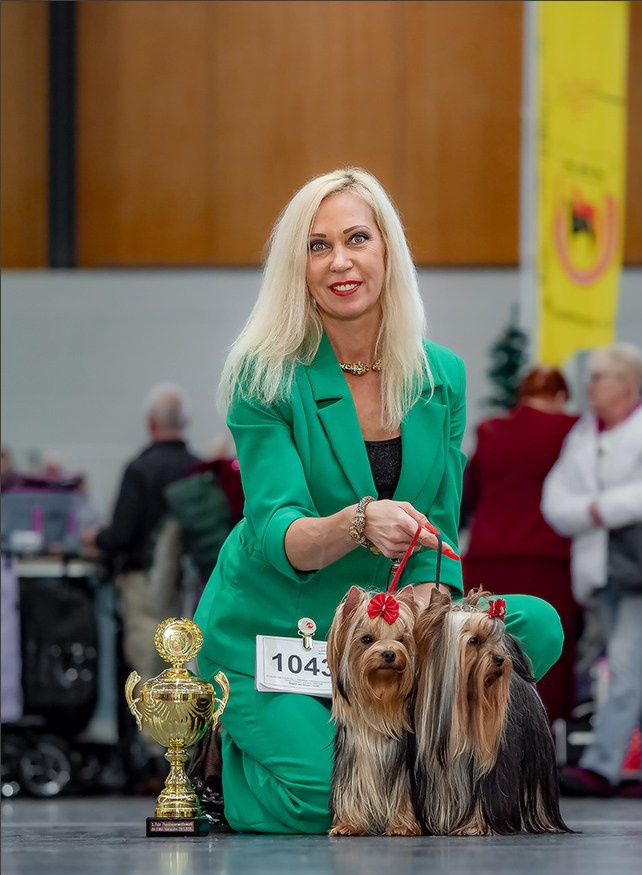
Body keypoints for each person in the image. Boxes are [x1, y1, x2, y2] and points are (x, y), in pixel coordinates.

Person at [193, 166, 564, 834]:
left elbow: (443, 525)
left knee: (531, 626)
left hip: (388, 629)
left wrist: (434, 595)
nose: (340, 261)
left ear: (387, 249)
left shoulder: (439, 375)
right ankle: (229, 765)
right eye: (317, 245)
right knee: (325, 804)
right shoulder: (265, 376)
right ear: (296, 267)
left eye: (356, 238)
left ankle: (411, 758)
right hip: (281, 632)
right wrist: (360, 522)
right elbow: (277, 530)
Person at [542, 343, 642, 798]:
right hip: (605, 570)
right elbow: (555, 503)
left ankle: (600, 766)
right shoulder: (582, 435)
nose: (589, 386)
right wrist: (595, 511)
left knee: (624, 662)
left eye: (600, 376)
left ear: (628, 384)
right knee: (633, 666)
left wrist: (602, 508)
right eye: (590, 376)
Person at [462, 365, 581, 723]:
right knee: (544, 651)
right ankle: (537, 732)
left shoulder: (491, 430)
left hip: (487, 553)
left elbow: (469, 492)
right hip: (547, 555)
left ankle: (478, 727)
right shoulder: (571, 430)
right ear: (561, 396)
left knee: (479, 645)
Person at [81, 383, 200, 679]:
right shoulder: (200, 470)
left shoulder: (139, 469)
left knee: (150, 673)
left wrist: (95, 538)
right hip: (192, 587)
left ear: (150, 422)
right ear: (185, 422)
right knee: (188, 673)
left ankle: (150, 728)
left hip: (144, 587)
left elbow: (121, 535)